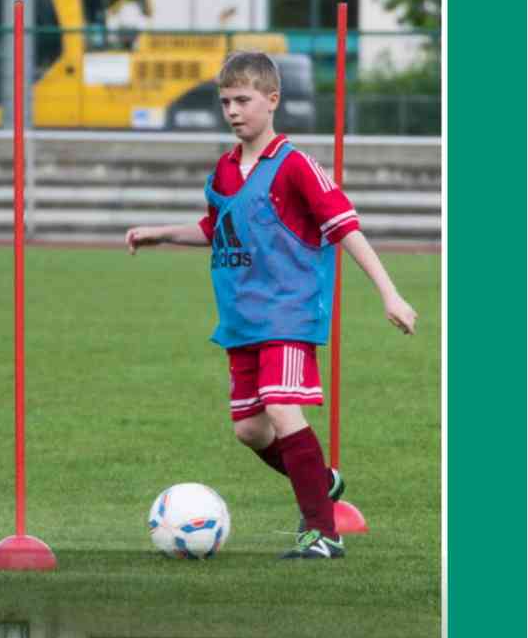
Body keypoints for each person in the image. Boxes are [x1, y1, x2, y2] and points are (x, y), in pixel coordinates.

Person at [124, 48, 417, 560]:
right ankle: (320, 479)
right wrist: (160, 234)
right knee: (249, 430)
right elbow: (216, 229)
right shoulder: (223, 171)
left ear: (272, 100)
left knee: (283, 412)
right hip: (241, 318)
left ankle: (323, 535)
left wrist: (389, 292)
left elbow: (346, 226)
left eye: (243, 99)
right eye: (225, 102)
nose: (233, 111)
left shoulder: (296, 166)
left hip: (287, 312)